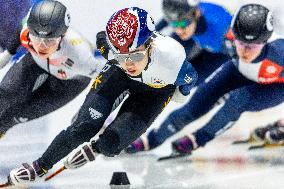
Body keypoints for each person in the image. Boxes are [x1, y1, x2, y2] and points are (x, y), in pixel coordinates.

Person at [5, 7, 197, 185]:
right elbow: (102, 39)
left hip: (156, 91)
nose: (129, 64)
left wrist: (181, 93)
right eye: (121, 56)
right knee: (82, 127)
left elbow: (190, 80)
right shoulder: (111, 51)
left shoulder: (173, 60)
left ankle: (98, 148)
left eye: (135, 56)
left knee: (111, 143)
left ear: (150, 45)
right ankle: (39, 166)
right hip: (117, 75)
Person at [126, 3, 284, 155]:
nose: (245, 51)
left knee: (237, 100)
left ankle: (198, 139)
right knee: (198, 101)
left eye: (253, 46)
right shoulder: (226, 34)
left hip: (275, 85)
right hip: (239, 71)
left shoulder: (278, 54)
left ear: (264, 42)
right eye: (240, 43)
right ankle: (152, 139)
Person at [0, 0, 105, 138]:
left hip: (70, 81)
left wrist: (89, 110)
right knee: (6, 93)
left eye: (49, 41)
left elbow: (109, 79)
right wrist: (5, 57)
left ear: (62, 37)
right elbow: (19, 33)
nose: (42, 46)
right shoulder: (27, 30)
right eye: (36, 38)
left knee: (16, 116)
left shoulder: (80, 56)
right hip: (36, 63)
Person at [156, 0, 232, 84]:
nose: (179, 31)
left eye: (183, 24)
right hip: (197, 32)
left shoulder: (220, 30)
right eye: (174, 25)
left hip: (218, 49)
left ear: (197, 13)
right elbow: (169, 18)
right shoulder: (185, 16)